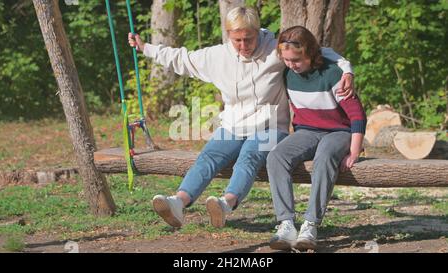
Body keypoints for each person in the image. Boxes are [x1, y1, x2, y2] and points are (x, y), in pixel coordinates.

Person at [128, 6, 355, 229]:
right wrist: (145, 47)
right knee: (208, 156)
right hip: (234, 124)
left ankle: (226, 204)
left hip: (271, 126)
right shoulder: (217, 56)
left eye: (249, 39)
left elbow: (315, 51)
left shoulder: (273, 49)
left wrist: (346, 69)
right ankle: (178, 202)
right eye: (237, 40)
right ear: (229, 36)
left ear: (258, 32)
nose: (243, 45)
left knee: (249, 156)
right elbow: (182, 58)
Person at [267, 26, 366, 251]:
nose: (292, 65)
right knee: (276, 156)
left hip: (339, 132)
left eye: (297, 60)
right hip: (307, 131)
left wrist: (354, 150)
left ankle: (310, 224)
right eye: (287, 60)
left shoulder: (332, 74)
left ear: (311, 53)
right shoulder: (286, 73)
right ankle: (286, 224)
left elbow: (357, 115)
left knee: (324, 156)